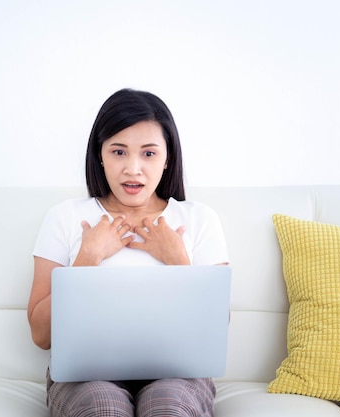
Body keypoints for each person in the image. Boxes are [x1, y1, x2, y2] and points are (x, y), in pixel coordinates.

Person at [27, 88, 229, 417]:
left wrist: (179, 261)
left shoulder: (198, 219)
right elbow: (40, 335)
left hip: (177, 375)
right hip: (86, 376)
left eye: (148, 154)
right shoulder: (64, 217)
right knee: (102, 406)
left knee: (167, 406)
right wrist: (86, 260)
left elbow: (217, 331)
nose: (133, 169)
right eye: (119, 152)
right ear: (100, 155)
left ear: (168, 159)